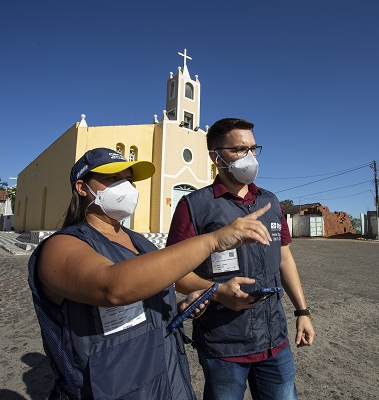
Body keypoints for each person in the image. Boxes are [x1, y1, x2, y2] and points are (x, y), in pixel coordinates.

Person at [27, 147, 273, 400]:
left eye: (128, 180)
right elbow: (112, 287)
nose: (125, 187)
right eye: (113, 179)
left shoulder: (141, 243)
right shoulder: (61, 246)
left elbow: (141, 299)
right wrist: (213, 241)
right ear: (81, 187)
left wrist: (177, 307)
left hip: (165, 380)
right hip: (107, 388)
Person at [167, 118, 315, 400]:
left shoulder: (270, 202)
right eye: (239, 149)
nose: (250, 156)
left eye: (253, 148)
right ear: (216, 156)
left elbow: (284, 259)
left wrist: (303, 312)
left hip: (275, 342)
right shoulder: (194, 207)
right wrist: (219, 292)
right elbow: (175, 272)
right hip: (224, 346)